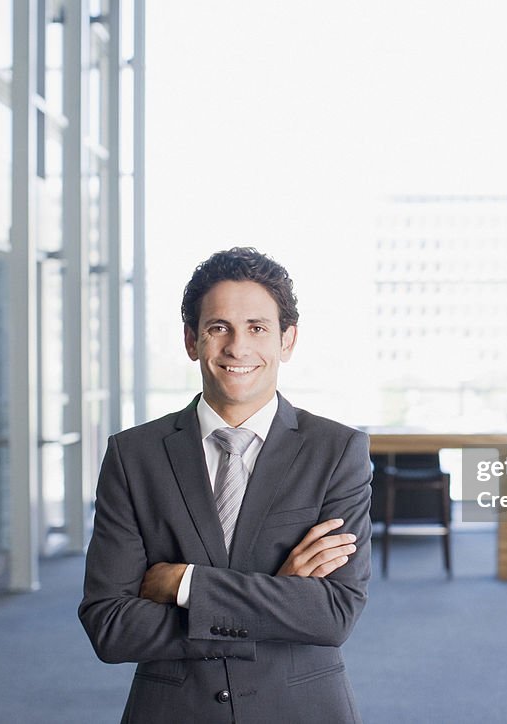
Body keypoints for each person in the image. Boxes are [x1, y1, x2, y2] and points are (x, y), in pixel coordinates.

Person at [79, 247, 372, 723]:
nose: (238, 347)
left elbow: (333, 614)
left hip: (301, 709)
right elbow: (110, 626)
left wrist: (186, 583)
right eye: (219, 328)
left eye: (258, 328)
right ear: (193, 340)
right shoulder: (134, 456)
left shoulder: (336, 450)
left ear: (288, 340)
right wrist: (280, 596)